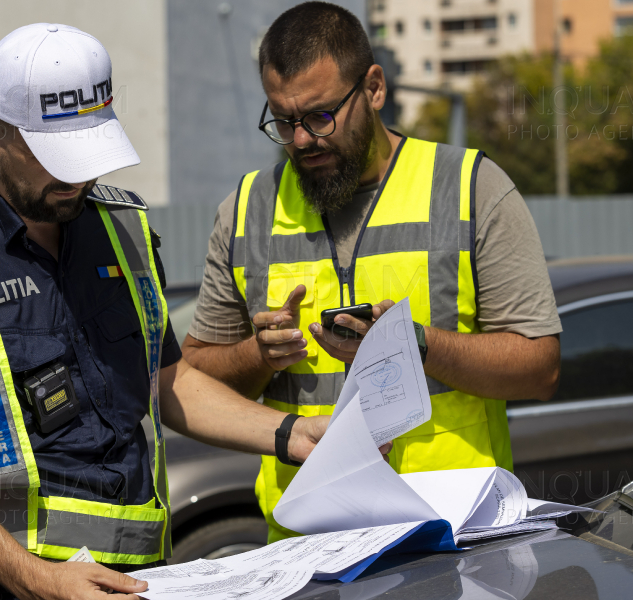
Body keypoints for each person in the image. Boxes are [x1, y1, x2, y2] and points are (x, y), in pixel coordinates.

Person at [0, 24, 348, 600]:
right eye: (52, 157)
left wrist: (292, 434)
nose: (74, 177)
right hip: (9, 587)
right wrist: (40, 580)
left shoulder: (124, 229)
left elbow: (166, 382)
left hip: (149, 577)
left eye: (86, 153)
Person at [181, 1, 562, 544]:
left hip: (451, 541)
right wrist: (256, 356)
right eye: (283, 121)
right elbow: (192, 379)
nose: (302, 140)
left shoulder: (471, 188)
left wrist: (419, 345)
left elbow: (539, 368)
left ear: (375, 88)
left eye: (319, 116)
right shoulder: (246, 210)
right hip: (306, 548)